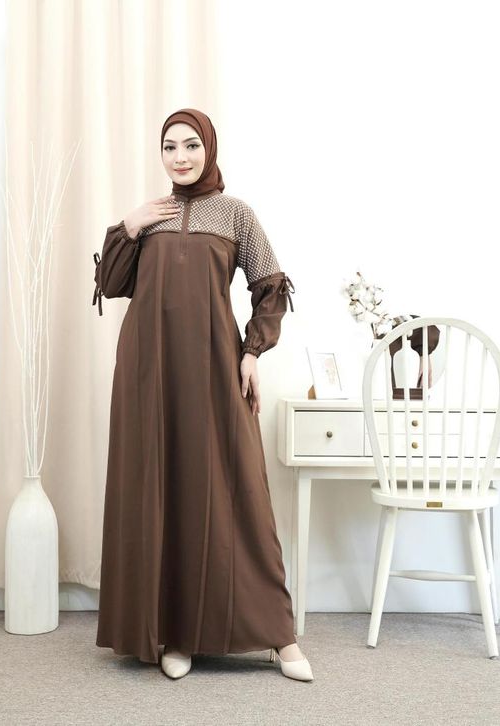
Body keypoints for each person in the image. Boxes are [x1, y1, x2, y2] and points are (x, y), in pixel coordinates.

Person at [92, 108, 312, 682]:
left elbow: (270, 287)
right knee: (162, 488)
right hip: (148, 369)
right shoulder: (150, 217)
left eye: (191, 145)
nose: (181, 156)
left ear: (209, 148)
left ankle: (278, 635)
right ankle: (175, 634)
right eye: (170, 147)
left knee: (236, 489)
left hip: (214, 367)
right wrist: (128, 226)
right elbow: (112, 285)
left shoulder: (235, 214)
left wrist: (252, 353)